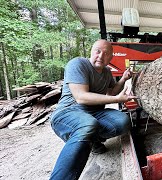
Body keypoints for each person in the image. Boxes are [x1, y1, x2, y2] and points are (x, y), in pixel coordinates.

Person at [49, 39, 136, 180]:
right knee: (88, 124)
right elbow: (81, 97)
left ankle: (92, 141)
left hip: (95, 114)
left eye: (106, 53)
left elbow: (111, 93)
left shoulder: (107, 72)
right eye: (98, 51)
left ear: (111, 58)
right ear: (91, 51)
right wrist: (117, 100)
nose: (101, 56)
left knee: (123, 122)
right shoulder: (78, 64)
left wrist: (124, 79)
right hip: (68, 113)